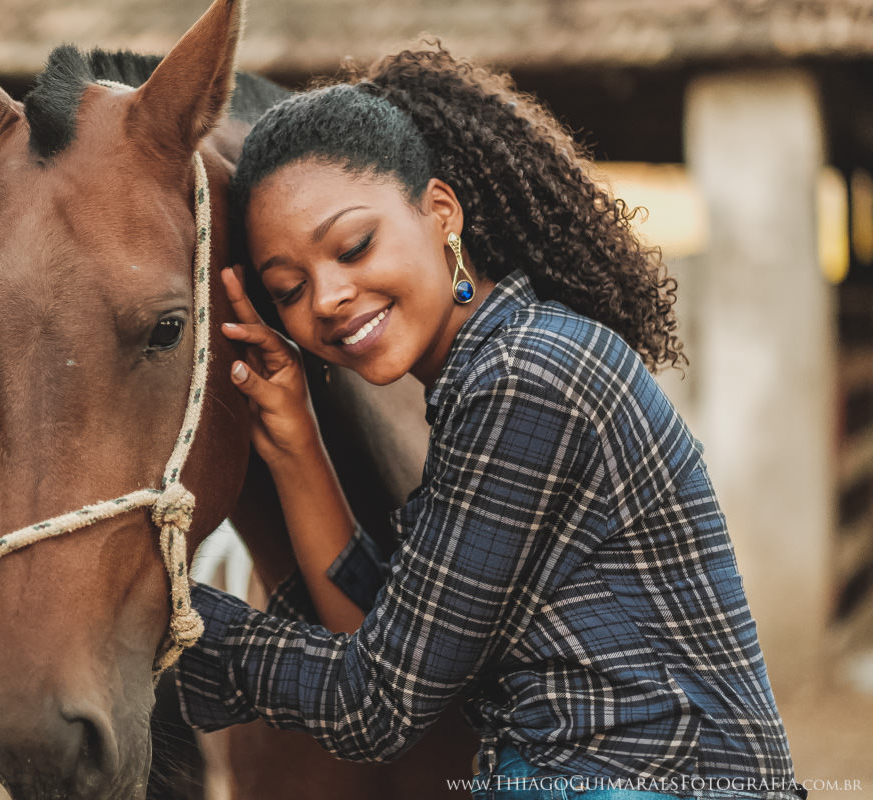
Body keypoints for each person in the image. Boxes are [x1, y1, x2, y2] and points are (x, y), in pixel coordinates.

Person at [173, 46, 802, 799]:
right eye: (288, 289)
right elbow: (380, 638)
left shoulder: (525, 380)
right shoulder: (499, 370)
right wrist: (298, 445)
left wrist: (159, 608)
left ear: (441, 212)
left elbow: (376, 703)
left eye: (354, 247)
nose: (328, 297)